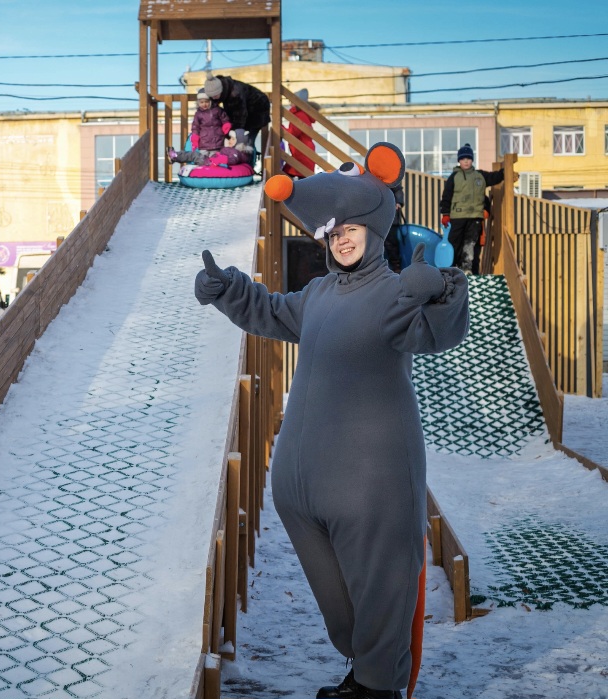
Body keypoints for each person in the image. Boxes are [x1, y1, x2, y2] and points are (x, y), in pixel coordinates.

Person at [195, 143, 469, 699]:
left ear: (373, 228)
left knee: (380, 595)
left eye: (352, 228)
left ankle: (377, 688)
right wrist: (229, 291)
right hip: (306, 489)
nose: (340, 237)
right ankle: (364, 673)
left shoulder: (394, 293)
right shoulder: (319, 292)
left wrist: (442, 289)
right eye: (331, 230)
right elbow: (270, 311)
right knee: (345, 607)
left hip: (371, 486)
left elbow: (443, 333)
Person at [439, 143, 505, 274]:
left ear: (472, 160)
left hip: (475, 216)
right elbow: (446, 196)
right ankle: (453, 269)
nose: (466, 161)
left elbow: (493, 178)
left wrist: (505, 171)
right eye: (463, 159)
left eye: (468, 159)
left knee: (471, 244)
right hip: (457, 217)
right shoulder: (454, 177)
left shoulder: (479, 176)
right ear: (459, 161)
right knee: (455, 244)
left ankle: (470, 270)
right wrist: (445, 214)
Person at [203, 71, 270, 165]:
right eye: (212, 97)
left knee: (246, 142)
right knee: (233, 139)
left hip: (258, 110)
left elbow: (240, 116)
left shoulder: (235, 93)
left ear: (221, 91)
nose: (214, 98)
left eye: (215, 96)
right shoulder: (218, 90)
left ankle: (248, 166)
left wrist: (239, 137)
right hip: (242, 111)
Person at [167, 89, 230, 164]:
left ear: (210, 101)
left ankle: (175, 155)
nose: (204, 104)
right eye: (202, 102)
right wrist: (195, 138)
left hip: (217, 144)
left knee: (203, 158)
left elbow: (225, 119)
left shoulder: (218, 110)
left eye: (206, 102)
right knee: (197, 156)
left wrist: (226, 125)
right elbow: (195, 127)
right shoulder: (198, 114)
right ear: (198, 103)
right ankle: (175, 155)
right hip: (204, 143)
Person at [282, 88, 321, 179]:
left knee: (290, 173)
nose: (290, 104)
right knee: (295, 174)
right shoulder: (302, 114)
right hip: (302, 151)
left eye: (291, 101)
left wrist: (281, 128)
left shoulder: (299, 115)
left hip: (302, 152)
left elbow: (293, 133)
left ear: (297, 103)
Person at [170, 127, 251, 169]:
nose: (230, 140)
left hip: (209, 162)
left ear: (239, 142)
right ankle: (175, 155)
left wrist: (220, 159)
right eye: (230, 138)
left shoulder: (236, 152)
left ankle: (175, 156)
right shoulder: (234, 150)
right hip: (211, 160)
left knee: (194, 155)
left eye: (233, 139)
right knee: (193, 155)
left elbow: (233, 159)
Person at [383, 179, 406, 273]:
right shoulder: (369, 177)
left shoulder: (390, 176)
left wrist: (399, 202)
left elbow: (398, 189)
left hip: (390, 215)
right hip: (377, 215)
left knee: (391, 243)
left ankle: (396, 267)